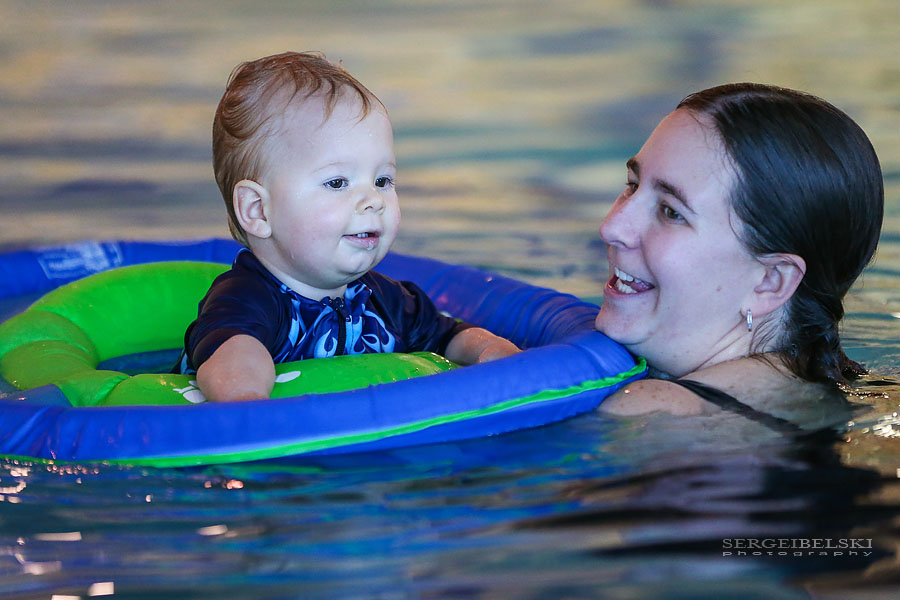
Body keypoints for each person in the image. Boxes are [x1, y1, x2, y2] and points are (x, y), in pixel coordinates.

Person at [181, 52, 519, 402]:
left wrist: (493, 352)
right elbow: (234, 359)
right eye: (338, 183)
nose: (373, 200)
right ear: (259, 211)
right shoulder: (246, 299)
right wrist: (247, 402)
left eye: (383, 179)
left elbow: (449, 336)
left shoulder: (386, 299)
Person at [595, 83, 883, 424]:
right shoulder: (839, 390)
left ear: (770, 281)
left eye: (672, 212)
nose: (612, 227)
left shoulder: (654, 410)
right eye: (632, 185)